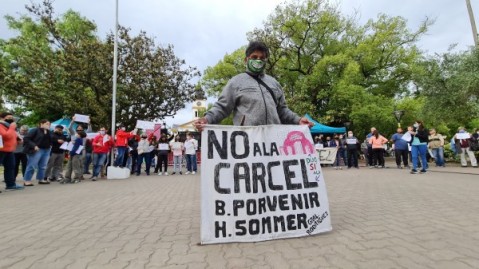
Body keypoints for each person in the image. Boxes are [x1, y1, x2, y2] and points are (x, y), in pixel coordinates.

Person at [193, 41, 312, 131]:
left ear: (266, 60)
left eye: (262, 58)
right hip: (247, 141)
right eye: (254, 57)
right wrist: (207, 119)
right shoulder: (236, 82)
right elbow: (222, 107)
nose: (258, 60)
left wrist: (298, 120)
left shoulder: (274, 83)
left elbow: (282, 110)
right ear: (246, 60)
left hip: (274, 139)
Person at [23, 119, 52, 186]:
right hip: (37, 150)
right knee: (32, 165)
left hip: (46, 150)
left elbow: (51, 140)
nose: (49, 125)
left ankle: (41, 179)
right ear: (41, 124)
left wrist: (50, 145)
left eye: (49, 124)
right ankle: (27, 180)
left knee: (43, 166)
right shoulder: (35, 130)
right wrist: (34, 146)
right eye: (47, 124)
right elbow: (26, 138)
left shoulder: (49, 132)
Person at [0, 112, 24, 191]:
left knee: (10, 167)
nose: (11, 119)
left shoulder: (8, 126)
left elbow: (12, 137)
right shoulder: (1, 125)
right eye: (9, 117)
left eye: (12, 117)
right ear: (3, 118)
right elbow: (6, 136)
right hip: (1, 150)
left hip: (9, 150)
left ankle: (10, 185)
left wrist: (17, 141)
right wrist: (12, 127)